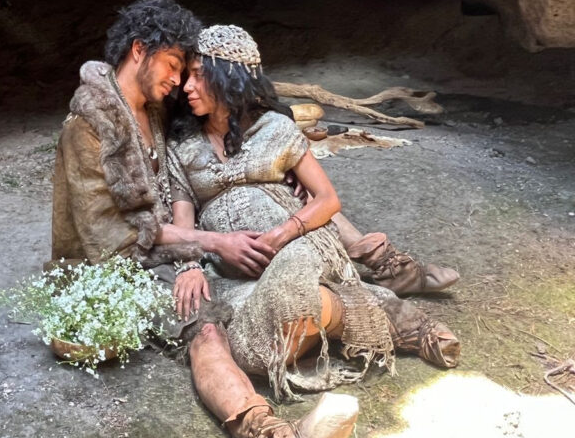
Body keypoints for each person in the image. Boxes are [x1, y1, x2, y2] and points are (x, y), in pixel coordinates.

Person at [51, 0, 458, 438]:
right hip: (119, 264)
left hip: (182, 243)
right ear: (140, 51)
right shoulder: (88, 128)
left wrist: (277, 177)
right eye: (175, 66)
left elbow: (237, 110)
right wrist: (201, 250)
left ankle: (380, 277)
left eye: (187, 71)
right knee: (203, 328)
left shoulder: (155, 104)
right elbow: (111, 239)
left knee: (285, 250)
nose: (180, 83)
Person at [164, 24, 461, 402]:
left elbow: (327, 199)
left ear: (229, 79)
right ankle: (371, 309)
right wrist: (190, 265)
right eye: (186, 77)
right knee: (249, 347)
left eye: (198, 76)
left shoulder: (275, 127)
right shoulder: (182, 144)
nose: (187, 86)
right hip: (231, 274)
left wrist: (280, 235)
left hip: (297, 246)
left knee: (294, 272)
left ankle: (411, 327)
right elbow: (183, 216)